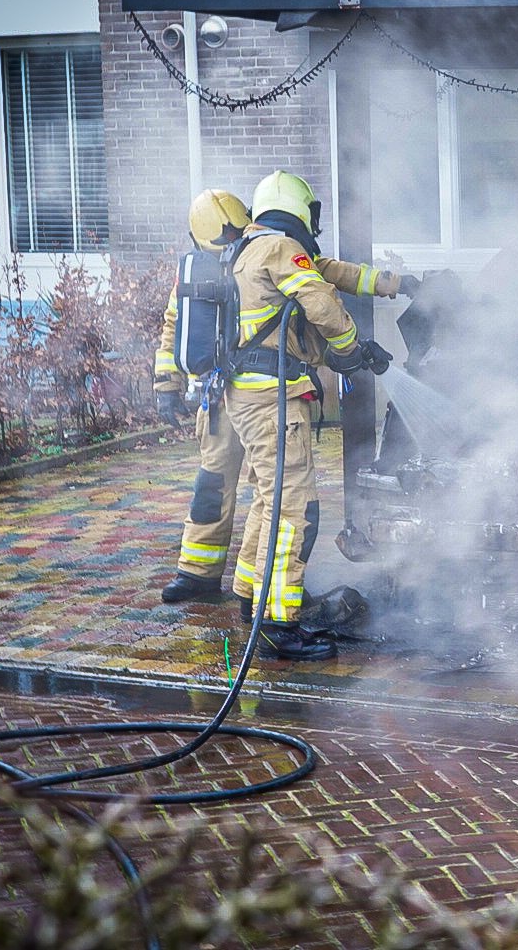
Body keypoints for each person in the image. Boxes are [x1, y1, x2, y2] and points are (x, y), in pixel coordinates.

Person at [154, 178, 410, 659]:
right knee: (290, 509)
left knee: (268, 503)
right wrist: (350, 350)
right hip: (272, 400)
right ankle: (278, 623)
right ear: (300, 210)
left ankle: (253, 600)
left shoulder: (243, 252)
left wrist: (389, 285)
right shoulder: (277, 247)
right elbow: (320, 298)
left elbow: (331, 272)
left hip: (245, 398)